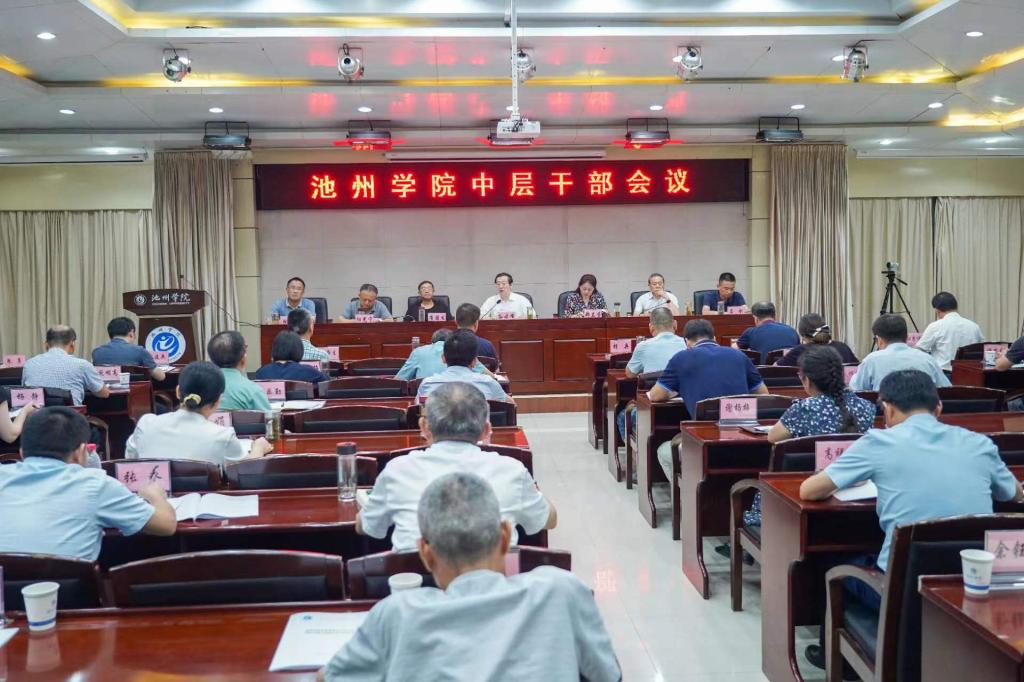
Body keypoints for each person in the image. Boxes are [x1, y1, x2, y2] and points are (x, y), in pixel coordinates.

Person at [799, 369, 1022, 670]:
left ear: (887, 408)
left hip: (901, 592)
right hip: (972, 586)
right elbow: (1014, 493)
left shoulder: (878, 442)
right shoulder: (978, 443)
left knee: (834, 563)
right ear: (938, 407)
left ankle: (841, 665)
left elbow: (809, 490)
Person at [324, 472, 619, 682]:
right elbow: (608, 674)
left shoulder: (396, 614)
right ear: (505, 537)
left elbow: (330, 676)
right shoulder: (560, 590)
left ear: (425, 553)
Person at [357, 381, 554, 551]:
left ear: (424, 427)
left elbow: (365, 526)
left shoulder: (397, 470)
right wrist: (530, 489)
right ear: (486, 430)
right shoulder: (512, 470)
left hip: (415, 581)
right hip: (494, 581)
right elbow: (549, 519)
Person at [0, 407, 177, 561]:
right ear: (81, 452)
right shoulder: (95, 484)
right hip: (68, 589)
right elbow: (166, 525)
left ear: (22, 453)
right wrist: (156, 496)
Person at [740, 345, 877, 533]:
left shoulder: (804, 408)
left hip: (802, 495)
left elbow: (773, 437)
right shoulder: (866, 407)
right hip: (857, 495)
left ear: (808, 380)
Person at [649, 319, 767, 480]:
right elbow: (763, 394)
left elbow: (655, 395)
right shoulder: (739, 355)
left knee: (664, 451)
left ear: (686, 342)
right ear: (714, 338)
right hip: (747, 441)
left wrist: (678, 389)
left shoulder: (681, 358)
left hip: (706, 444)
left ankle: (687, 493)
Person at [127, 361, 273, 466]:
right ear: (218, 400)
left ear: (178, 392)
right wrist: (258, 448)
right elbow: (245, 468)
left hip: (150, 498)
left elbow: (130, 460)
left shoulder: (146, 424)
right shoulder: (223, 436)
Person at [616, 308, 687, 439]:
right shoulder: (687, 344)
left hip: (652, 410)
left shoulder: (643, 346)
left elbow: (630, 373)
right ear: (675, 324)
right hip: (684, 410)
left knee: (622, 417)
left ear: (651, 327)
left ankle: (636, 449)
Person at [849, 314, 951, 391]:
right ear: (906, 337)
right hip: (924, 410)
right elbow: (947, 390)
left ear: (879, 340)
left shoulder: (871, 361)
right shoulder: (927, 359)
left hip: (884, 412)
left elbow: (856, 389)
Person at [23, 325, 109, 405]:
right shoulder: (82, 365)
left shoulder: (29, 364)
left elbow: (25, 390)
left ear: (46, 345)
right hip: (69, 415)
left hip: (36, 416)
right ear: (72, 345)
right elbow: (104, 393)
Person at [417, 330, 511, 403]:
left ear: (443, 358)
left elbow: (416, 410)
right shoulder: (488, 383)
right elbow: (510, 405)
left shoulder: (427, 384)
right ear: (474, 361)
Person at [915, 292, 984, 371]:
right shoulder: (974, 326)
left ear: (937, 310)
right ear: (956, 307)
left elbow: (919, 350)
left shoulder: (935, 326)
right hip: (971, 374)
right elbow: (982, 348)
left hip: (944, 374)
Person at [207, 330, 271, 411]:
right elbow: (268, 418)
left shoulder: (199, 389)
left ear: (211, 359)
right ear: (243, 358)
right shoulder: (253, 390)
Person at [91, 317, 166, 381]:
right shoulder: (139, 351)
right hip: (134, 393)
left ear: (110, 334)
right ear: (131, 333)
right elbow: (160, 377)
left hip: (105, 393)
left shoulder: (97, 352)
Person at [395, 329, 487, 381]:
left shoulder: (418, 352)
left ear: (432, 342)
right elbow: (489, 376)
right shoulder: (462, 349)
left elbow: (399, 380)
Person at [776, 314, 859, 367]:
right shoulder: (843, 347)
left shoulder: (800, 351)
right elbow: (856, 368)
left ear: (803, 336)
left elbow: (775, 369)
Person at [255, 331, 331, 383]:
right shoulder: (308, 371)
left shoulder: (261, 372)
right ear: (298, 350)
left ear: (274, 349)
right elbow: (327, 381)